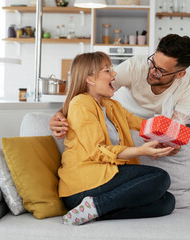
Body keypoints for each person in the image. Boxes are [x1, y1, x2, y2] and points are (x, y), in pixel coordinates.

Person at [58, 52, 176, 226]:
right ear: (90, 79)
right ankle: (97, 205)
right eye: (107, 70)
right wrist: (141, 151)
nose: (114, 74)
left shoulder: (111, 105)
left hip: (105, 181)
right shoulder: (80, 104)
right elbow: (97, 150)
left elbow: (143, 124)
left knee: (167, 202)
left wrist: (173, 134)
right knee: (160, 177)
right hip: (83, 185)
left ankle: (92, 211)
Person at [50, 34, 190, 156]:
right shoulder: (135, 66)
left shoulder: (188, 90)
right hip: (116, 118)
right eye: (152, 62)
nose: (152, 71)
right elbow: (91, 91)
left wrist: (172, 144)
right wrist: (61, 113)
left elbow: (175, 130)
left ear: (180, 74)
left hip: (149, 127)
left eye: (161, 70)